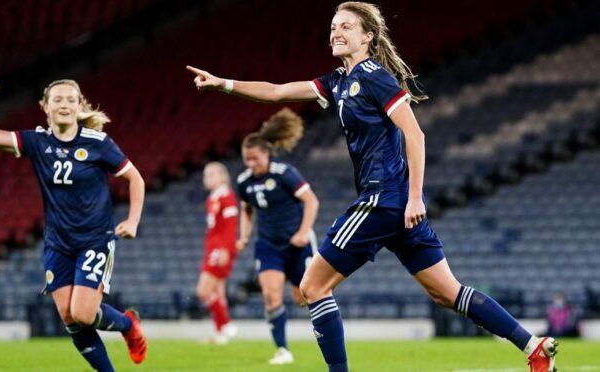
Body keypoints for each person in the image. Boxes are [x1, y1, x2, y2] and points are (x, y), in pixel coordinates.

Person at [185, 2, 558, 371]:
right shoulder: (337, 81)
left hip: (384, 198)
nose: (336, 32)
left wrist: (415, 196)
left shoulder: (374, 76)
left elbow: (415, 134)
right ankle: (532, 344)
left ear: (367, 36)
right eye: (333, 26)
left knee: (312, 286)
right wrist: (224, 84)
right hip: (393, 205)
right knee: (447, 292)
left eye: (346, 26)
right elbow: (278, 92)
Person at [0, 79, 147, 371]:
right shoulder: (37, 141)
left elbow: (135, 178)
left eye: (71, 100)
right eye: (57, 100)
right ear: (45, 107)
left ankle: (127, 324)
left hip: (95, 238)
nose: (65, 105)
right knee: (69, 318)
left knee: (82, 313)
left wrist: (132, 220)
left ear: (80, 106)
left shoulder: (98, 143)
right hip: (58, 242)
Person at [235, 108, 319, 364]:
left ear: (267, 153)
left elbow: (311, 202)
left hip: (297, 243)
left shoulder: (285, 173)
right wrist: (244, 236)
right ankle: (283, 349)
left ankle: (326, 331)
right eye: (246, 159)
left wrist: (304, 233)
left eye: (255, 159)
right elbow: (247, 210)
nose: (251, 164)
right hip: (268, 245)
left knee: (302, 297)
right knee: (270, 294)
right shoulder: (244, 181)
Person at [197, 161, 239, 344]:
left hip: (219, 249)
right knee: (218, 292)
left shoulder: (227, 196)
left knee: (203, 291)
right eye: (206, 174)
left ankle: (227, 324)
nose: (207, 178)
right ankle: (221, 333)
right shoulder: (212, 198)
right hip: (212, 248)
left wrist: (226, 250)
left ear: (223, 176)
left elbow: (231, 226)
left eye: (212, 174)